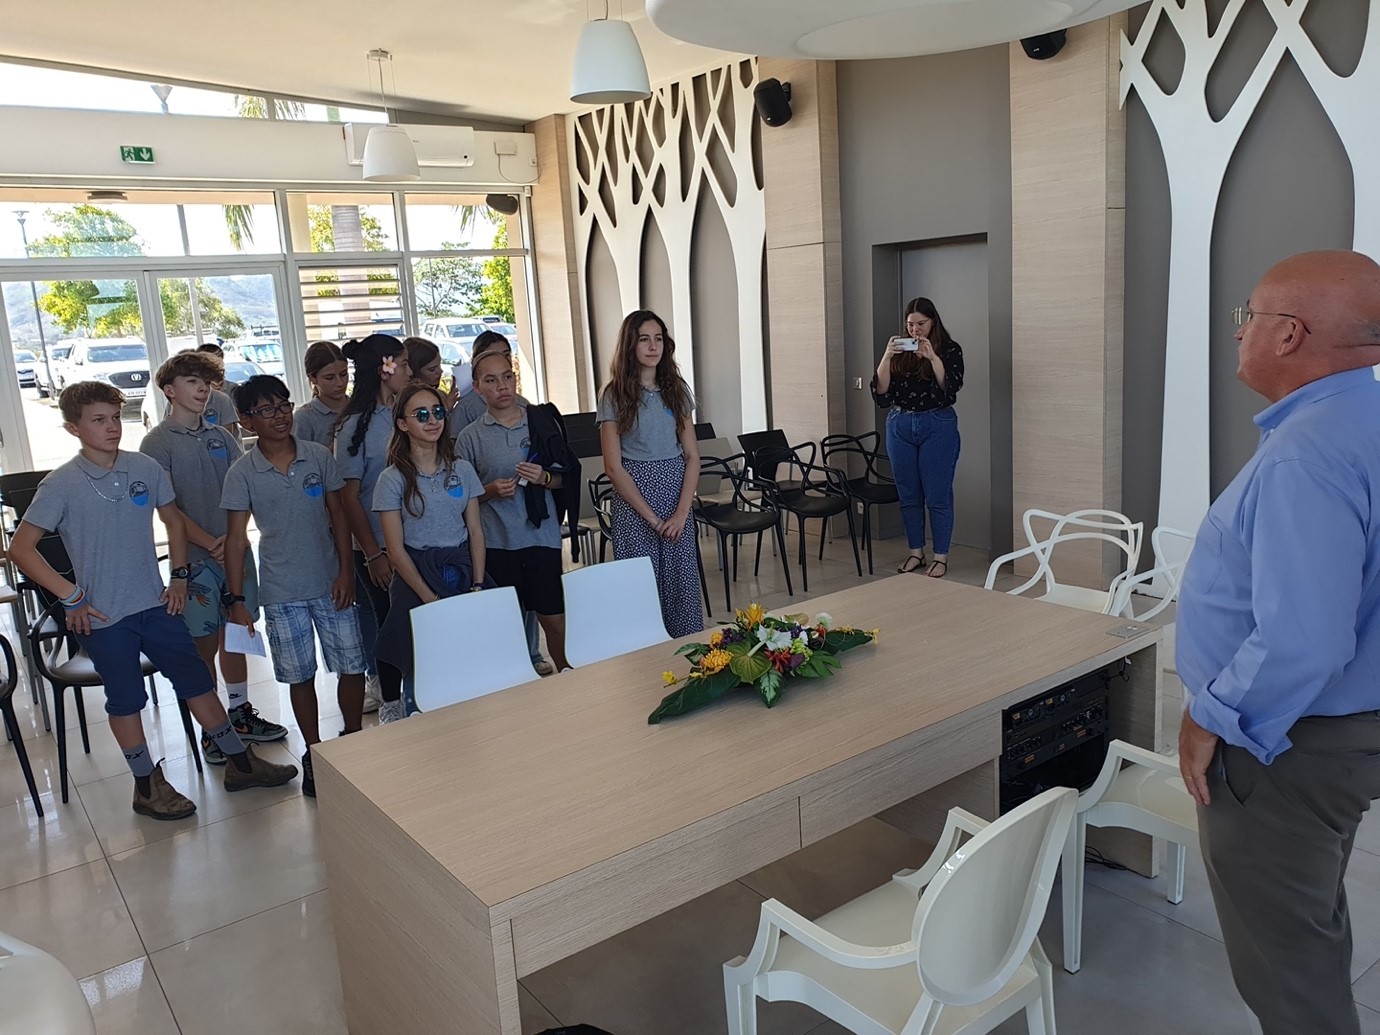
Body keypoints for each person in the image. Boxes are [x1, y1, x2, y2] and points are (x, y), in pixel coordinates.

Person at [1176, 249, 1380, 1035]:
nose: (1239, 333)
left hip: (1286, 746)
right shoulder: (1360, 419)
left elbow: (1304, 639)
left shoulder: (1309, 451)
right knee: (1309, 918)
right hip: (1338, 738)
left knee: (1289, 974)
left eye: (1248, 316)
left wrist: (1209, 716)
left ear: (1289, 334)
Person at [8, 382, 296, 819]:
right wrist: (71, 596)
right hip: (105, 617)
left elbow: (173, 522)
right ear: (73, 429)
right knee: (127, 700)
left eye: (114, 417)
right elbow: (21, 549)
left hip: (156, 605)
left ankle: (240, 764)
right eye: (98, 420)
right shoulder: (61, 484)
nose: (112, 427)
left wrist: (179, 576)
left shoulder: (143, 467)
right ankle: (146, 786)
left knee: (197, 681)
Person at [139, 351, 288, 766]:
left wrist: (233, 541)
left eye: (206, 382)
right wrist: (210, 542)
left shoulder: (222, 436)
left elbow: (243, 491)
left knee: (237, 633)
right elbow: (167, 509)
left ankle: (240, 713)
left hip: (235, 553)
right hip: (196, 560)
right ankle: (214, 729)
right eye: (192, 381)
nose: (203, 389)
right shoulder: (157, 443)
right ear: (169, 390)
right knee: (202, 645)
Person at [222, 375, 366, 797]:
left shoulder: (318, 456)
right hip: (281, 591)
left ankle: (354, 739)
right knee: (299, 676)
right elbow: (235, 540)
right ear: (247, 421)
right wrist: (236, 600)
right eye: (266, 410)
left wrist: (346, 572)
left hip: (331, 583)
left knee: (352, 665)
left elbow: (338, 515)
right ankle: (315, 753)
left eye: (283, 405)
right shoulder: (242, 472)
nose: (280, 416)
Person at [372, 382, 488, 705]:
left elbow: (476, 531)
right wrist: (430, 598)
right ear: (402, 424)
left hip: (463, 571)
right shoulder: (391, 479)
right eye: (421, 415)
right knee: (421, 665)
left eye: (437, 412)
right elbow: (395, 551)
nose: (433, 420)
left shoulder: (462, 469)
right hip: (417, 577)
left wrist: (478, 583)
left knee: (471, 659)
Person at [457, 350, 572, 672]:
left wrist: (545, 478)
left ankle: (568, 677)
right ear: (477, 388)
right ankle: (514, 685)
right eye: (491, 380)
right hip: (496, 543)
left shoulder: (541, 423)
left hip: (541, 537)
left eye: (507, 376)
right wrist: (490, 491)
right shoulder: (469, 437)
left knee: (554, 620)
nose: (502, 386)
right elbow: (460, 499)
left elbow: (566, 478)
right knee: (504, 626)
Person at [596, 309, 703, 637]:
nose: (653, 346)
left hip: (676, 499)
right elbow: (613, 467)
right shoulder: (613, 394)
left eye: (658, 339)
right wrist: (654, 520)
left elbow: (692, 456)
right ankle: (647, 662)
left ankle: (686, 656)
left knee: (682, 588)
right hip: (635, 503)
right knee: (641, 591)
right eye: (644, 339)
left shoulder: (676, 390)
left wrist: (681, 514)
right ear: (630, 345)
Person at [335, 334, 412, 723]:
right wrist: (373, 554)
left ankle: (421, 694)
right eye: (404, 363)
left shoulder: (406, 412)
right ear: (385, 368)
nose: (410, 372)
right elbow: (349, 497)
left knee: (419, 619)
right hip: (378, 545)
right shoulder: (354, 425)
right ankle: (392, 702)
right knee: (389, 623)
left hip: (415, 539)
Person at [871, 297, 964, 578]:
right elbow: (881, 393)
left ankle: (940, 557)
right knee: (908, 494)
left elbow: (950, 388)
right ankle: (916, 552)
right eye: (910, 324)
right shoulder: (900, 350)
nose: (915, 330)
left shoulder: (949, 349)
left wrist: (933, 358)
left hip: (937, 423)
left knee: (937, 494)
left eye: (921, 324)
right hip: (900, 423)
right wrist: (887, 356)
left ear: (932, 321)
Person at [293, 340, 350, 448]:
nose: (340, 383)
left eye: (343, 374)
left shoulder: (359, 408)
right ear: (313, 378)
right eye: (329, 378)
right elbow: (298, 456)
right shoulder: (304, 418)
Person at [195, 343, 242, 442]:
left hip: (229, 447)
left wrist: (222, 401)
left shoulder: (231, 389)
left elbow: (246, 422)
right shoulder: (183, 394)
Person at [405, 337, 460, 411]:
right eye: (432, 370)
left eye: (439, 365)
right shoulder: (409, 401)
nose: (440, 371)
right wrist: (446, 407)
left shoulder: (440, 394)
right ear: (413, 371)